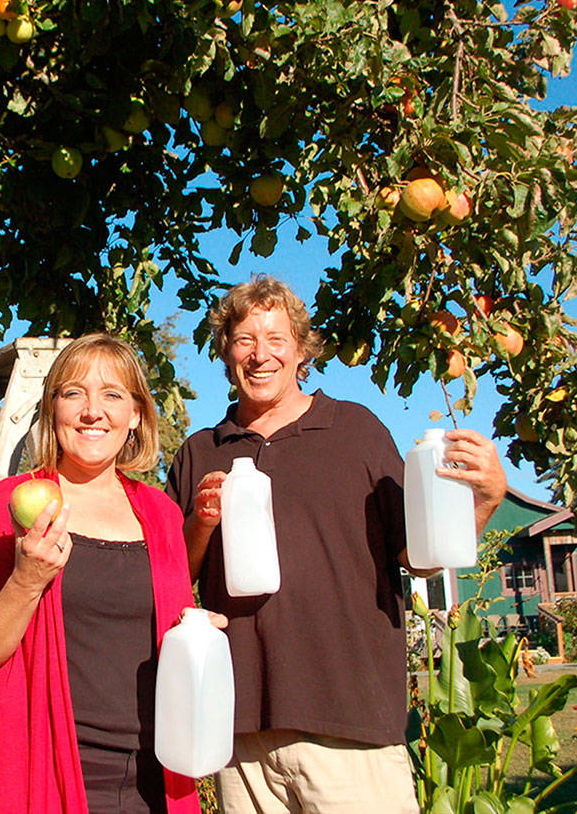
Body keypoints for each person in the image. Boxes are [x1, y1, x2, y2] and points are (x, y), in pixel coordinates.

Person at [165, 276, 507, 813]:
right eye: (244, 339)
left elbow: (416, 555)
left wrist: (484, 500)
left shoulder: (356, 430)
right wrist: (203, 523)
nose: (260, 355)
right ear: (225, 352)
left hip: (349, 719)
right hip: (240, 728)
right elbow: (172, 579)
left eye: (276, 339)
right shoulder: (199, 451)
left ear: (301, 351)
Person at [0, 333, 203, 814]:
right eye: (73, 393)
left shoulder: (163, 515)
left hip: (158, 777)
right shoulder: (8, 505)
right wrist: (27, 580)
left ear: (136, 415)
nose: (93, 411)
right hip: (37, 770)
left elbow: (170, 631)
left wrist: (196, 631)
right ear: (53, 410)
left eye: (112, 395)